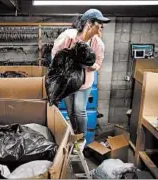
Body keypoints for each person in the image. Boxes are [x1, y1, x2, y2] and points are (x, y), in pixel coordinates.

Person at [51, 9, 110, 151]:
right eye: (99, 23)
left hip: (84, 82)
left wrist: (88, 66)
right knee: (70, 111)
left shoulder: (98, 44)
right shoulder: (68, 37)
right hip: (68, 82)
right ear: (89, 24)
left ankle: (81, 138)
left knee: (79, 110)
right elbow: (55, 55)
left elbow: (98, 64)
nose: (102, 26)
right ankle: (75, 134)